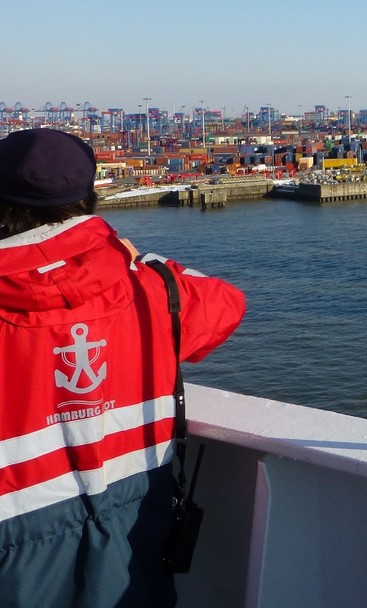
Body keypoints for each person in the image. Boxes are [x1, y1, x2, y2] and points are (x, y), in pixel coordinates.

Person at [0, 128, 245, 607]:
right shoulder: (154, 286)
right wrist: (142, 260)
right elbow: (226, 303)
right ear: (89, 196)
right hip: (135, 531)